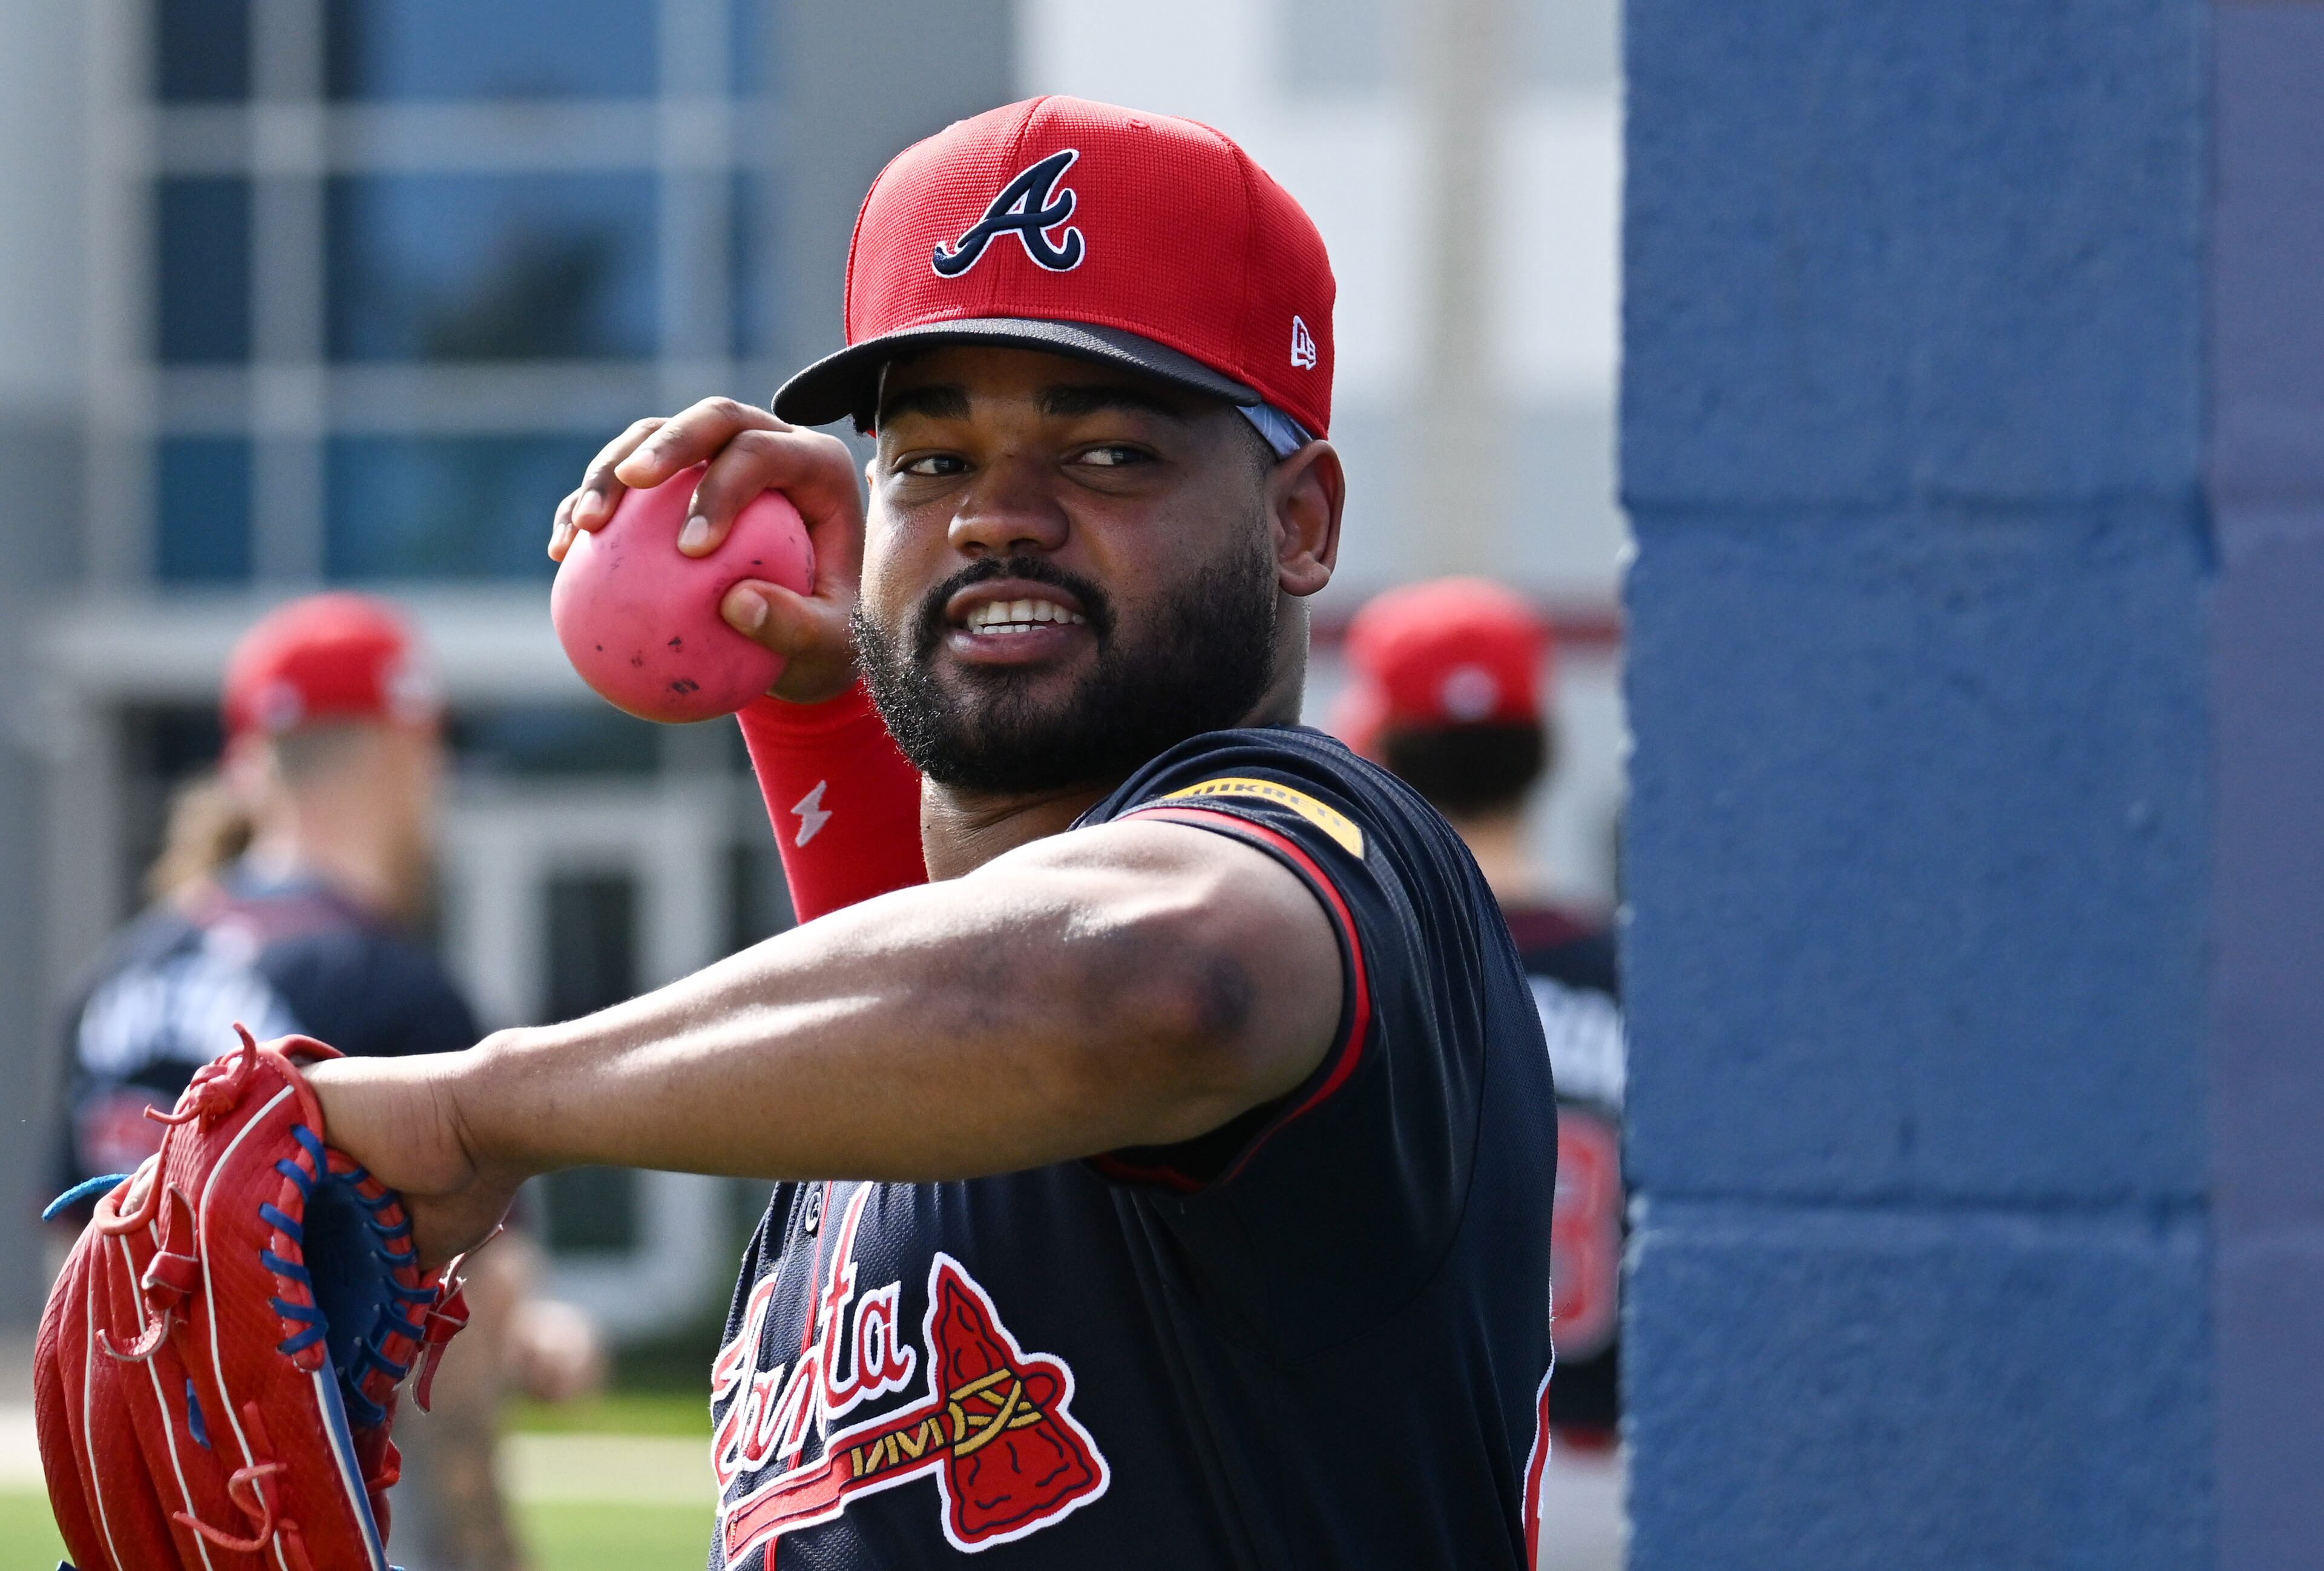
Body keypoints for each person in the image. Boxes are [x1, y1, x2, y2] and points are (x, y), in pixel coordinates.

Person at [311, 96, 1560, 1568]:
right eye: (932, 459)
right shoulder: (921, 1057)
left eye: (1106, 455)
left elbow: (1149, 979)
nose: (998, 519)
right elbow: (946, 976)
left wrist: (480, 1110)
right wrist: (815, 699)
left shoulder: (1334, 845)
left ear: (1300, 519)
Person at [48, 592, 601, 1571]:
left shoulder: (116, 976)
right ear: (404, 753)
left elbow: (78, 1275)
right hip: (340, 1498)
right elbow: (467, 1319)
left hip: (155, 1499)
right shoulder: (388, 986)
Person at [1334, 578, 1626, 1448]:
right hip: (1619, 1470)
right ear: (1542, 753)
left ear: (1376, 753)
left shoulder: (1358, 976)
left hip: (1432, 1471)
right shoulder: (1636, 979)